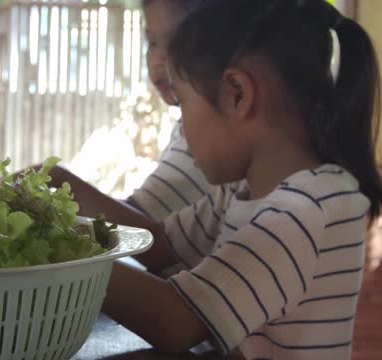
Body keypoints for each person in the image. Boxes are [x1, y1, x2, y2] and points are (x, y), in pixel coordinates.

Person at [102, 0, 382, 359]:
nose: (182, 131)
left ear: (238, 94)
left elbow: (174, 320)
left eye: (183, 104)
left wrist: (71, 262)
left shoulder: (309, 206)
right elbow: (156, 243)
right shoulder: (242, 191)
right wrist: (66, 224)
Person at [0, 0, 216, 275]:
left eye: (175, 42)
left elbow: (158, 246)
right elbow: (143, 218)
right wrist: (35, 203)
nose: (157, 60)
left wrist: (56, 187)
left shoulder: (212, 140)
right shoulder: (186, 129)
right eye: (152, 43)